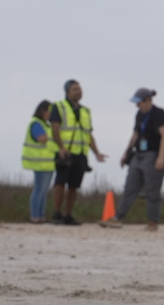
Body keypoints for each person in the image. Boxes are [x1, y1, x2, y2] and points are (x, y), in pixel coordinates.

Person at [98, 88, 164, 231]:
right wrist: (126, 153)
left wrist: (161, 157)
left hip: (153, 153)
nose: (137, 106)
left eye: (139, 102)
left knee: (152, 189)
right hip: (138, 154)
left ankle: (153, 221)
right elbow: (135, 134)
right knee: (130, 187)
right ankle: (118, 217)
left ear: (148, 100)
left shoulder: (159, 113)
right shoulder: (139, 115)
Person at [50, 79, 108, 225]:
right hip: (66, 151)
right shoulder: (59, 106)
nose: (79, 91)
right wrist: (61, 147)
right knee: (60, 182)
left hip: (81, 152)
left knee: (74, 185)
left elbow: (88, 134)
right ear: (67, 92)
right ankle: (57, 213)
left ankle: (68, 214)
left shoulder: (85, 111)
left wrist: (97, 153)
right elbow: (55, 128)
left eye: (79, 89)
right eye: (75, 89)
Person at [22, 100, 58, 223]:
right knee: (39, 189)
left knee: (44, 191)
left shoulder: (46, 125)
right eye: (50, 112)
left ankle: (41, 216)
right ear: (43, 111)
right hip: (39, 162)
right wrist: (54, 135)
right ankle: (35, 216)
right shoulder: (36, 123)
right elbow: (41, 138)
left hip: (48, 163)